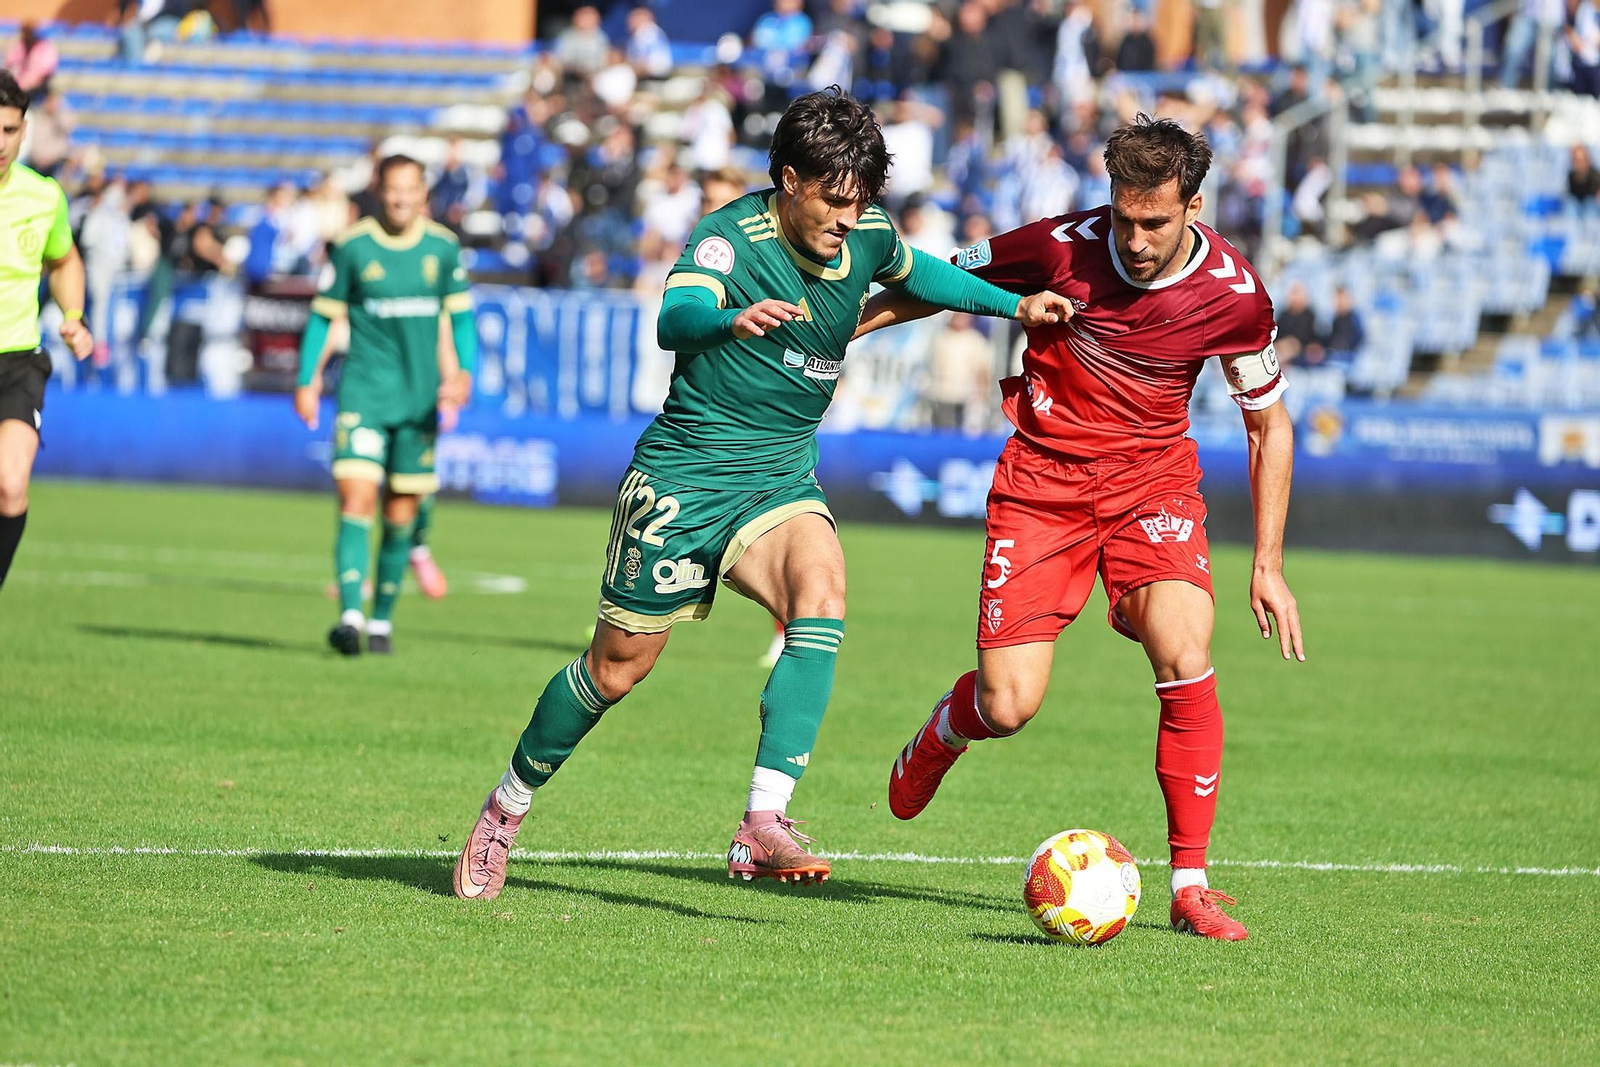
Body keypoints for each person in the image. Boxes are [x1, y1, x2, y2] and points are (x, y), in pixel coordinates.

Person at [450, 87, 1073, 901]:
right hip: (684, 478)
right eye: (834, 200)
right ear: (789, 180)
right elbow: (676, 316)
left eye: (862, 202)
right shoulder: (727, 240)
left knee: (824, 587)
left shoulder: (868, 234)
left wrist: (1014, 305)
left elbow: (919, 271)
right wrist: (728, 320)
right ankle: (508, 804)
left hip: (777, 477)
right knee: (614, 670)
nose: (850, 219)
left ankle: (762, 820)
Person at [859, 115, 1304, 941]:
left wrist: (1268, 563)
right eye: (1123, 216)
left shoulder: (1234, 296)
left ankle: (1191, 884)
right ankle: (944, 731)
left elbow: (1269, 425)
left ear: (1194, 207)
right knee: (1010, 702)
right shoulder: (1064, 245)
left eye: (1155, 223)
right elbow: (939, 280)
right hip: (1043, 486)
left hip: (1152, 485)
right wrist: (845, 326)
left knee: (1185, 647)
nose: (1133, 240)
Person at [293, 155, 475, 655]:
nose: (400, 199)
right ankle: (350, 616)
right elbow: (321, 317)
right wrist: (306, 380)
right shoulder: (353, 247)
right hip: (363, 397)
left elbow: (460, 321)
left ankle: (381, 624)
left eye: (409, 190)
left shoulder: (442, 247)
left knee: (401, 514)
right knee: (356, 499)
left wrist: (462, 374)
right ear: (379, 191)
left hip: (417, 404)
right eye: (392, 190)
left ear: (423, 194)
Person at [0, 72, 95, 593]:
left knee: (11, 485)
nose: (0, 143)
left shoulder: (43, 196)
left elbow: (63, 260)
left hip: (17, 359)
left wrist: (74, 315)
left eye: (10, 130)